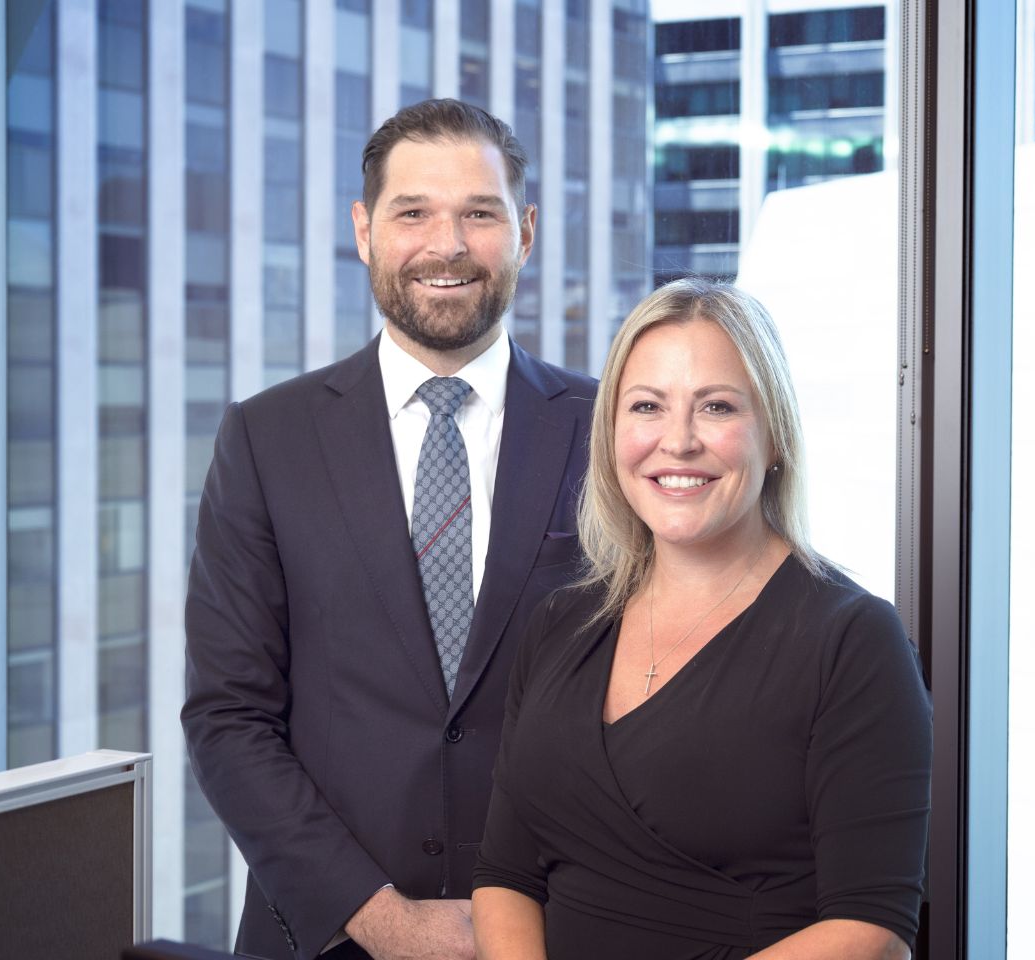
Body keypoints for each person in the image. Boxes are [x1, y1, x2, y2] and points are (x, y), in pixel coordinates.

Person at [183, 99, 596, 960]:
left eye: (479, 214)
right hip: (328, 936)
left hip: (564, 931)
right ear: (364, 231)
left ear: (524, 232)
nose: (447, 246)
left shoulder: (609, 430)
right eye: (413, 213)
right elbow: (228, 717)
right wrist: (384, 922)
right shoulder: (267, 438)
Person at [472, 279, 932, 960]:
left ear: (775, 436)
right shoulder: (560, 623)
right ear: (612, 434)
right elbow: (506, 875)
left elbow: (872, 932)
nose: (678, 442)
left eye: (716, 407)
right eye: (647, 406)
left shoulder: (853, 639)